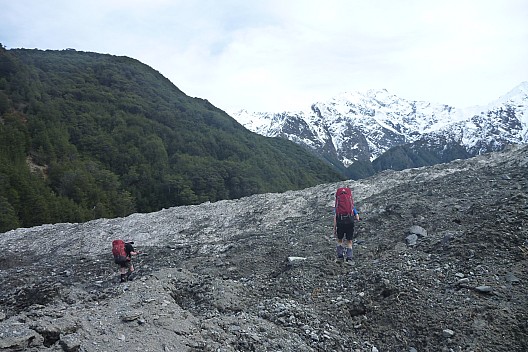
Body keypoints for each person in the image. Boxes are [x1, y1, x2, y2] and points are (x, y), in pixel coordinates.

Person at [333, 187, 360, 264]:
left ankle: (340, 257)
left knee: (340, 239)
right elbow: (357, 217)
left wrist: (334, 228)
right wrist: (356, 217)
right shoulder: (350, 205)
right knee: (349, 240)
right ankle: (349, 258)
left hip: (340, 221)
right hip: (350, 221)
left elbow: (335, 216)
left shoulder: (338, 206)